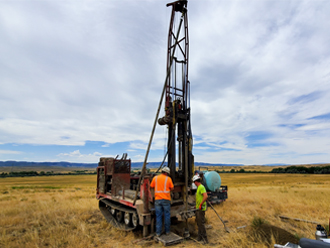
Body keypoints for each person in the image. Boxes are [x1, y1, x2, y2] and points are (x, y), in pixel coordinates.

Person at [150, 167, 174, 237]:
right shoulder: (168, 179)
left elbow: (151, 186)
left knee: (158, 216)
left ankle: (158, 233)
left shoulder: (155, 178)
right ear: (166, 173)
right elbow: (172, 188)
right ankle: (167, 231)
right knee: (167, 216)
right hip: (166, 200)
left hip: (158, 200)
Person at [193, 174, 208, 244]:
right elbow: (199, 198)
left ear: (196, 181)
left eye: (194, 182)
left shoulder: (201, 187)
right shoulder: (199, 187)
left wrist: (201, 204)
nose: (194, 184)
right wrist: (196, 206)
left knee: (201, 224)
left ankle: (205, 239)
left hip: (201, 209)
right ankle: (199, 237)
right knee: (199, 223)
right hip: (198, 208)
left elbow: (205, 196)